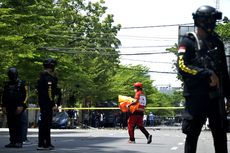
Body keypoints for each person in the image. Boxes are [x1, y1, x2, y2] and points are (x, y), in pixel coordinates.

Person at [177, 5, 230, 153]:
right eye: (212, 20)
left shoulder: (217, 43)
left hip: (216, 98)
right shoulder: (188, 42)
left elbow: (223, 72)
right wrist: (206, 73)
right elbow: (182, 66)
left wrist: (228, 95)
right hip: (196, 98)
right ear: (203, 21)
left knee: (220, 136)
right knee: (192, 136)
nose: (214, 23)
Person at [37, 58, 61, 150]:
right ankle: (43, 144)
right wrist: (53, 104)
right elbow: (50, 93)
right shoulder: (48, 78)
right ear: (52, 66)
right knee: (45, 124)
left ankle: (46, 143)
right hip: (47, 103)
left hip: (44, 103)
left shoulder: (42, 77)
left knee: (45, 123)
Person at [2, 67, 28, 148]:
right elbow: (4, 96)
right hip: (9, 107)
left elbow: (26, 96)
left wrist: (21, 105)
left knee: (19, 125)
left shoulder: (22, 83)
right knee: (11, 125)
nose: (11, 76)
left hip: (19, 107)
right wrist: (3, 106)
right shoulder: (7, 84)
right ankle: (12, 141)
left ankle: (19, 141)